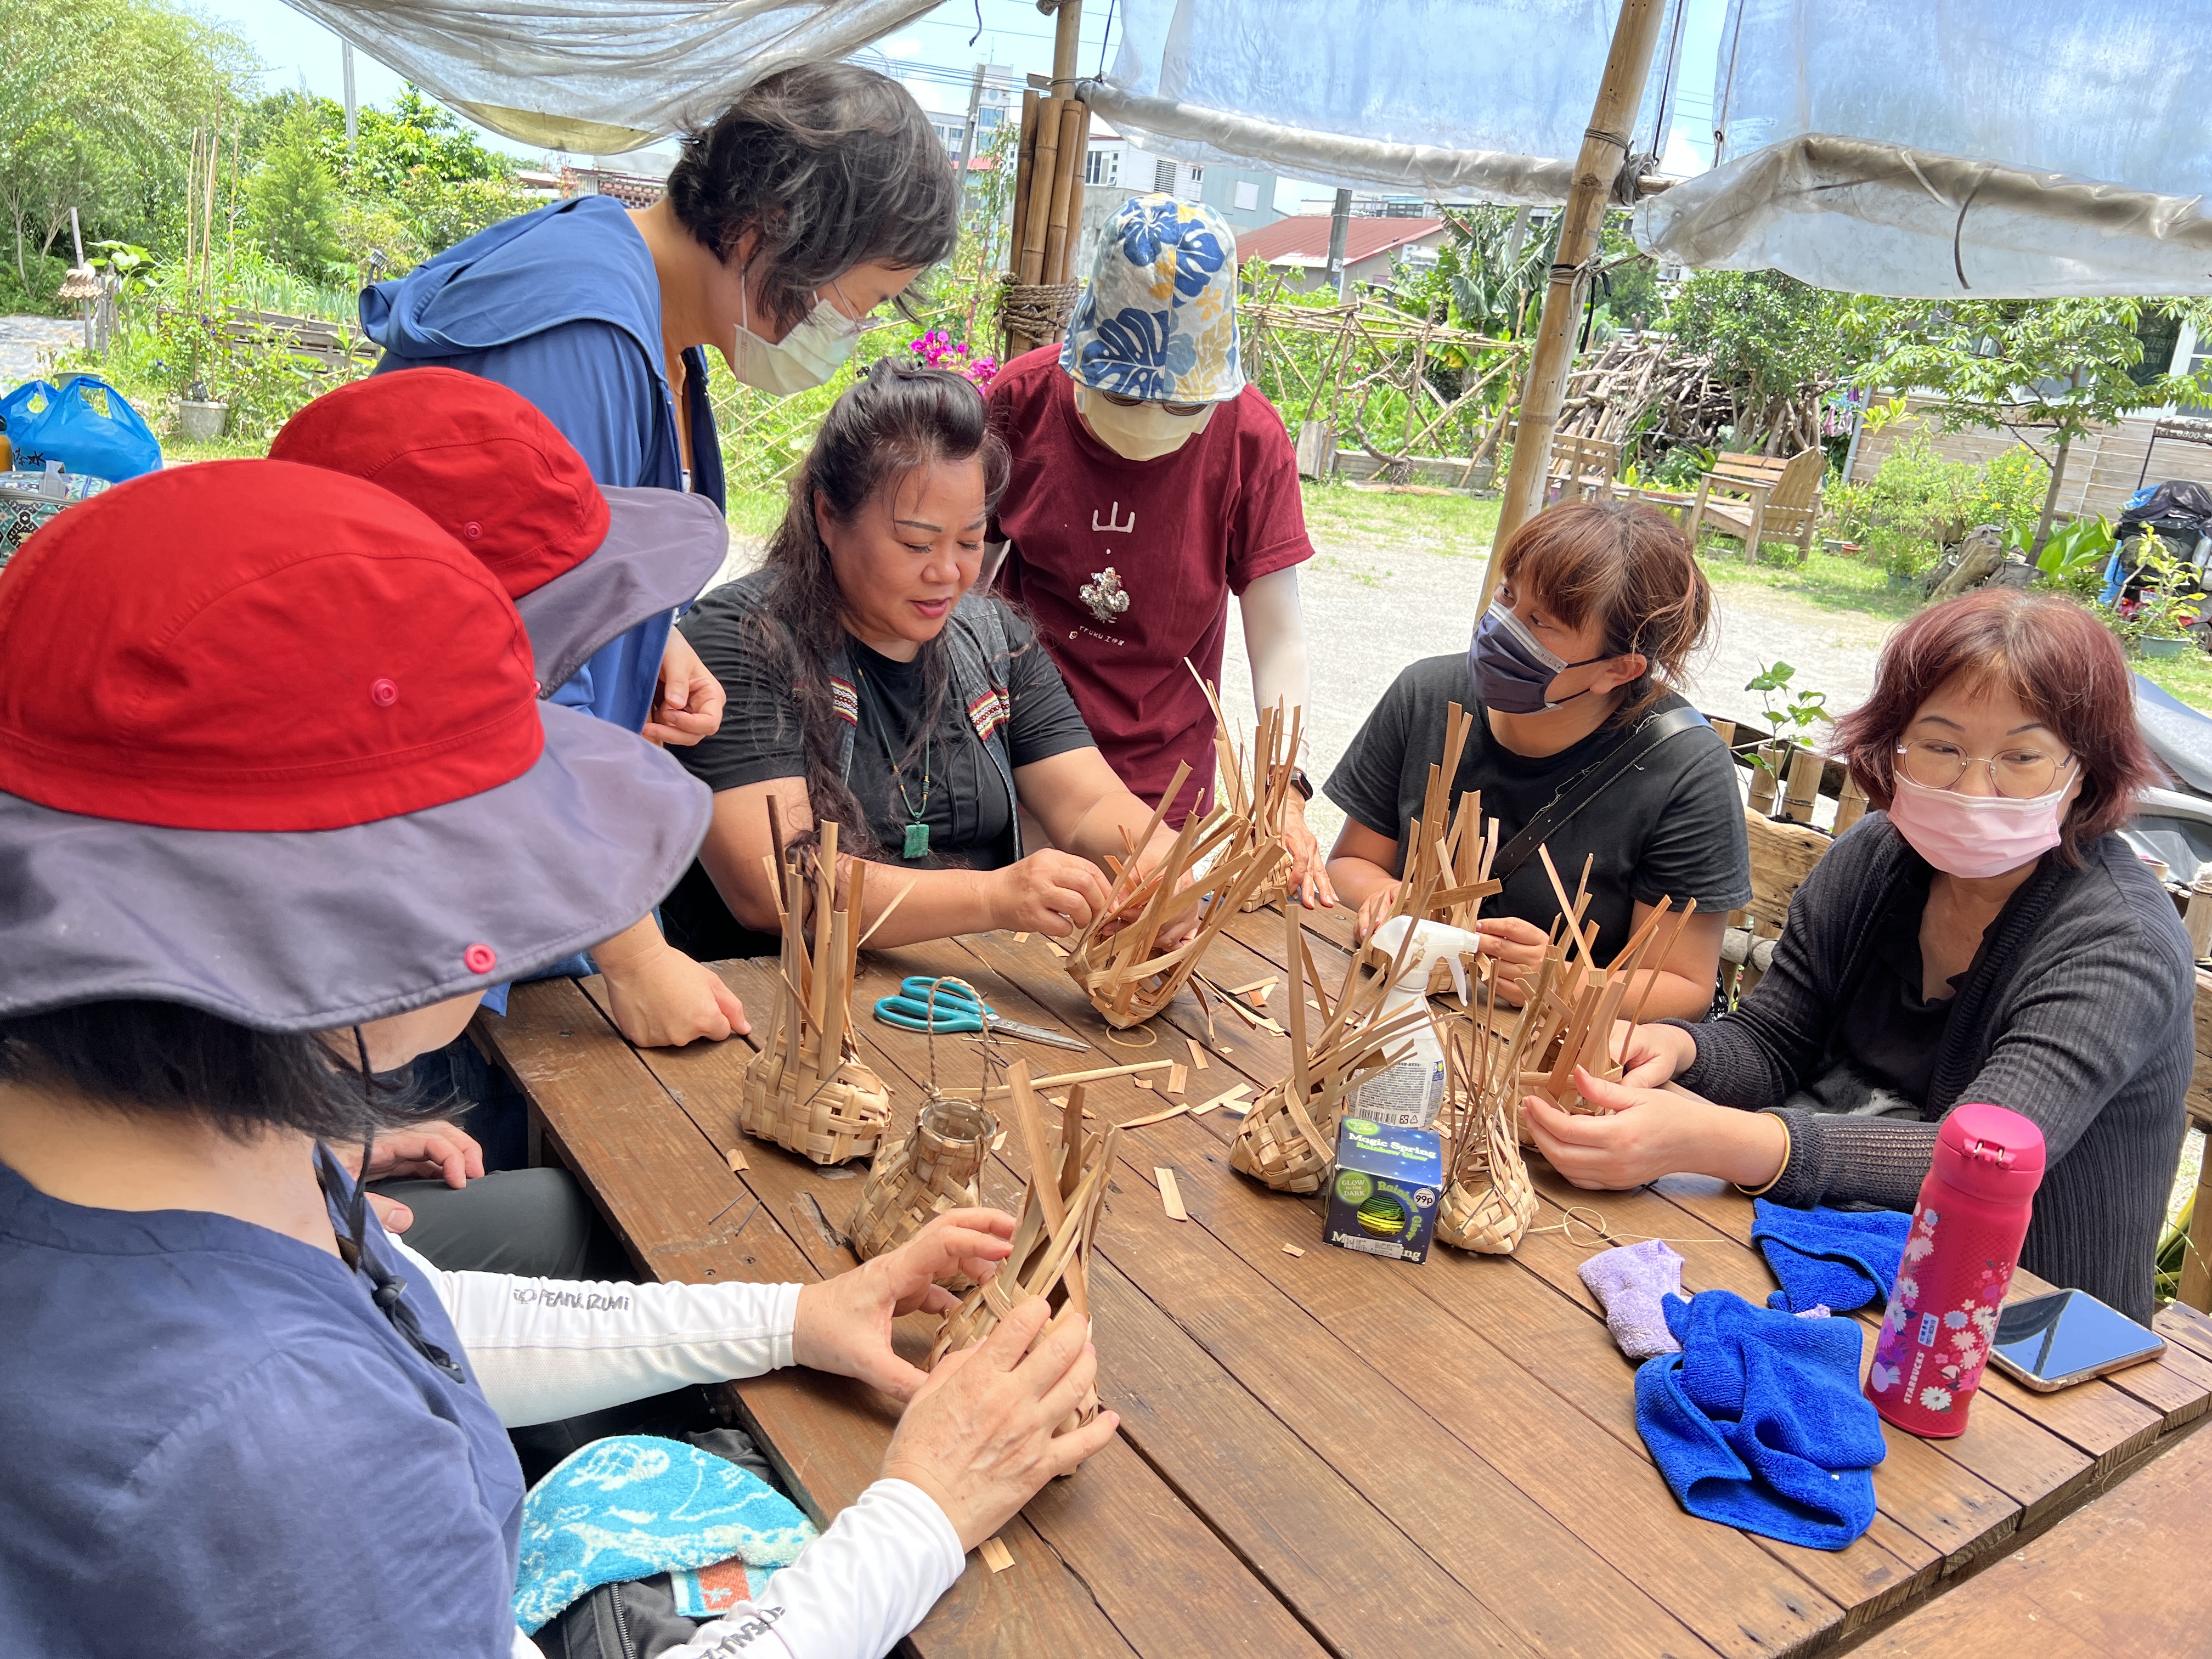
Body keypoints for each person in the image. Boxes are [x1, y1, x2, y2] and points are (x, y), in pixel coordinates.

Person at [0, 459, 1115, 1658]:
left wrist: (791, 1316)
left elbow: (411, 1311)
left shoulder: (188, 1148)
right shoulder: (284, 1447)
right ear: (356, 918)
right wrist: (923, 1509)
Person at [361, 60, 962, 1045]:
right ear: (768, 232)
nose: (848, 334)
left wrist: (644, 635)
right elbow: (497, 687)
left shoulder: (660, 328)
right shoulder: (577, 338)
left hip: (516, 883)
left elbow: (555, 563)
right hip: (427, 906)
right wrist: (636, 955)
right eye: (859, 301)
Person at [1533, 590, 2191, 1325]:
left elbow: (1979, 1159)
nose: (1974, 787)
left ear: (2084, 770)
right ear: (1893, 745)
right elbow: (1774, 1041)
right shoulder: (1876, 858)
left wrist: (1723, 1141)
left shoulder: (2117, 939)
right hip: (1834, 1257)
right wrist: (1678, 1048)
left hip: (2022, 1319)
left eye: (2022, 757)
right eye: (1941, 747)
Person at [660, 360, 1192, 963]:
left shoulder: (993, 641)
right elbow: (777, 886)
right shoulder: (741, 640)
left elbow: (1090, 803)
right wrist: (993, 896)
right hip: (778, 999)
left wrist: (1160, 865)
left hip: (967, 992)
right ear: (827, 516)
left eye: (969, 541)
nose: (948, 573)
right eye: (917, 544)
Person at [984, 193, 1333, 904]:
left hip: (1160, 783)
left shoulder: (1252, 441)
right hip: (1018, 757)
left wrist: (1282, 787)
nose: (1149, 420)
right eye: (1122, 396)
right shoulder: (1022, 401)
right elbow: (964, 583)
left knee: (1143, 935)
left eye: (1180, 405)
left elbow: (1278, 636)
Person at [1324, 499, 1748, 1020]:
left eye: (1540, 621)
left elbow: (1685, 986)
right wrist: (1386, 898)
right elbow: (1351, 863)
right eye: (1508, 593)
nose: (1502, 626)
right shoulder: (1427, 694)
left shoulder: (1684, 769)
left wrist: (1560, 980)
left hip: (1554, 1047)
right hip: (1401, 1014)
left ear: (1618, 669)